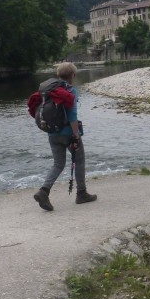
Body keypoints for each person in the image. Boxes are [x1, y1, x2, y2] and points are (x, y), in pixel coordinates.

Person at [33, 62, 97, 211]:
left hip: (52, 133)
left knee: (58, 164)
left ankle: (44, 191)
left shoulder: (49, 91)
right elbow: (72, 116)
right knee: (80, 160)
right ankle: (81, 194)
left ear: (58, 75)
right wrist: (75, 135)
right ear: (72, 75)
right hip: (67, 133)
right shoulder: (69, 91)